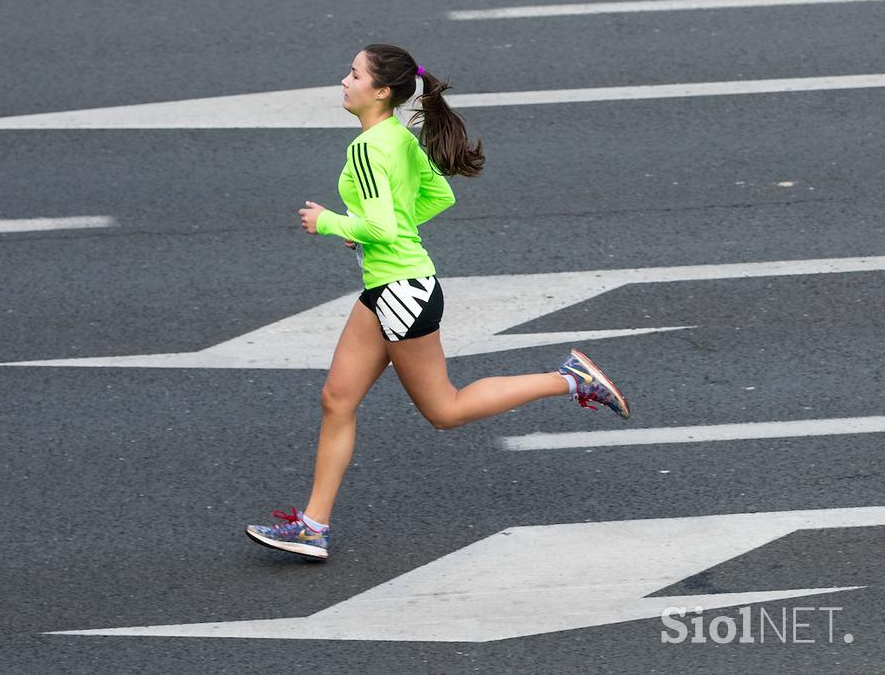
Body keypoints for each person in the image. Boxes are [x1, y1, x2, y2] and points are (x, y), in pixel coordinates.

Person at [246, 44, 629, 561]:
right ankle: (314, 525)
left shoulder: (368, 148)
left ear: (380, 91)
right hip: (389, 287)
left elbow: (383, 224)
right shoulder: (396, 138)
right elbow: (436, 198)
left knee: (444, 411)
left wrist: (332, 223)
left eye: (353, 74)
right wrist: (377, 235)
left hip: (402, 292)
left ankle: (569, 379)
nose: (344, 80)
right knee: (337, 398)